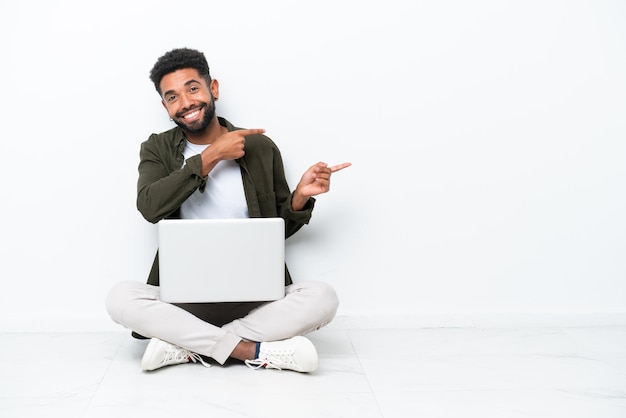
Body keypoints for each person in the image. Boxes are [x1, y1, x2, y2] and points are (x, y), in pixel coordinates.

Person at [105, 47, 351, 373]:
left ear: (213, 89)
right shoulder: (157, 149)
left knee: (323, 297)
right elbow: (149, 206)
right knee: (120, 298)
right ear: (165, 107)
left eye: (193, 88)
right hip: (185, 301)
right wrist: (211, 156)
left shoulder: (261, 147)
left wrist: (299, 199)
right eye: (173, 96)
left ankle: (187, 345)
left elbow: (275, 232)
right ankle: (252, 349)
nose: (186, 102)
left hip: (255, 298)